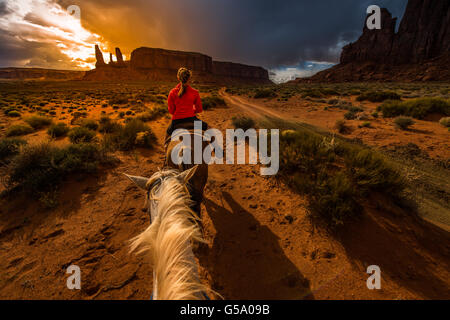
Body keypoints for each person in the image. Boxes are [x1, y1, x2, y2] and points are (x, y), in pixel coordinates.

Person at [166, 67, 208, 141]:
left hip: (176, 121)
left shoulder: (172, 92)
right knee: (207, 128)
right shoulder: (195, 92)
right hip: (192, 119)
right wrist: (191, 111)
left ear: (178, 77)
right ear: (189, 78)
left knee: (167, 135)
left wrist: (179, 111)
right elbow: (199, 109)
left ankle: (165, 148)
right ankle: (217, 150)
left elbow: (171, 111)